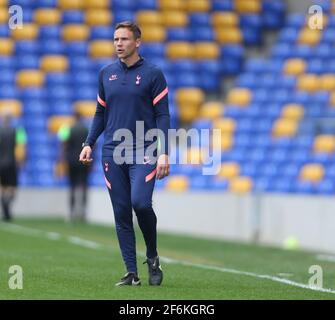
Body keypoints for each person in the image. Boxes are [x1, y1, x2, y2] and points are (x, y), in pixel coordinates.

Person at [79, 21, 170, 286]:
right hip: (112, 152)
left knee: (140, 203)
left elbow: (163, 115)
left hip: (145, 149)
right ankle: (131, 273)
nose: (118, 43)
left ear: (137, 42)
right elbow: (100, 112)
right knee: (121, 211)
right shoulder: (106, 73)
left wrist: (164, 152)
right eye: (116, 39)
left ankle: (152, 256)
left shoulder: (154, 74)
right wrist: (89, 142)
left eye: (124, 39)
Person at [58, 111, 90, 222]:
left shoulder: (68, 129)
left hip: (71, 160)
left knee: (72, 186)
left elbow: (63, 145)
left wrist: (62, 159)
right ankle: (83, 211)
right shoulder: (86, 130)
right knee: (84, 185)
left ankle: (71, 211)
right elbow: (92, 145)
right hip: (84, 161)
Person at [0, 112, 27, 222]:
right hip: (12, 163)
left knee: (2, 187)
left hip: (0, 163)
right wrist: (22, 161)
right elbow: (22, 147)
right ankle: (7, 203)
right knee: (12, 187)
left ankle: (4, 205)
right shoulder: (18, 131)